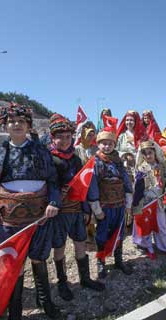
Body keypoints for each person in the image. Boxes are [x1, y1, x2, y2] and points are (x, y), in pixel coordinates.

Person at [0, 104, 62, 319]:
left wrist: (53, 202)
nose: (16, 125)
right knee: (14, 264)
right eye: (12, 121)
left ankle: (45, 301)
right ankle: (15, 309)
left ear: (28, 125)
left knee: (39, 259)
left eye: (21, 121)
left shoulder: (41, 152)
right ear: (5, 125)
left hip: (39, 217)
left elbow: (52, 181)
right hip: (10, 220)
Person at [49, 114, 104, 301]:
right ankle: (62, 282)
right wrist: (57, 194)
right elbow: (48, 185)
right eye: (60, 137)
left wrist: (86, 210)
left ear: (72, 137)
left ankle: (85, 278)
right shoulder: (50, 160)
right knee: (59, 247)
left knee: (80, 242)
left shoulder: (76, 159)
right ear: (52, 138)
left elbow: (83, 186)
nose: (64, 141)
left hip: (76, 211)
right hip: (58, 213)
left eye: (67, 137)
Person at [87, 130, 133, 279]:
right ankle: (101, 262)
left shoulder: (118, 162)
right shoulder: (96, 162)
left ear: (114, 144)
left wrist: (128, 202)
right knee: (101, 235)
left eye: (110, 143)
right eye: (103, 143)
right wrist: (96, 209)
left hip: (119, 205)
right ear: (98, 144)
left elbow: (126, 181)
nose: (106, 146)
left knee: (119, 233)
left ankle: (118, 260)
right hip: (104, 207)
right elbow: (92, 185)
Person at [132, 140, 166, 266]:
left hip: (159, 202)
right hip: (146, 203)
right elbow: (139, 188)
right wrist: (136, 205)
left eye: (150, 153)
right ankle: (148, 247)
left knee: (161, 226)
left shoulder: (162, 167)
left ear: (155, 152)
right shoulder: (141, 169)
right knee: (147, 226)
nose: (148, 156)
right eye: (145, 154)